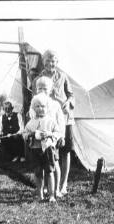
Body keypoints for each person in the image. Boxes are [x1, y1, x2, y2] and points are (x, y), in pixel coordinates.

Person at [33, 49, 76, 195]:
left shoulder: (63, 76)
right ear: (43, 63)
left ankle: (63, 185)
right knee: (50, 152)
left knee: (65, 151)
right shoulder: (39, 79)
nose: (51, 64)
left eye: (53, 61)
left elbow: (71, 95)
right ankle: (50, 186)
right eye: (47, 61)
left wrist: (68, 102)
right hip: (49, 120)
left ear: (57, 62)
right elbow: (36, 101)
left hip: (65, 118)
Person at [30, 76, 65, 197]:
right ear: (36, 89)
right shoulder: (35, 103)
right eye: (39, 88)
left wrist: (61, 136)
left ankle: (56, 190)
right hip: (39, 141)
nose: (42, 91)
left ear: (50, 90)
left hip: (52, 139)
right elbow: (32, 121)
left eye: (45, 88)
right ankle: (44, 188)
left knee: (54, 164)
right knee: (41, 166)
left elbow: (60, 123)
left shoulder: (55, 104)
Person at [23, 93, 61, 202]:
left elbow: (57, 133)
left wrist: (49, 134)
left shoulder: (51, 121)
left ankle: (52, 195)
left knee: (49, 172)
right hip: (35, 149)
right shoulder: (31, 122)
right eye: (37, 106)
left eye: (43, 106)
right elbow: (25, 134)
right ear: (33, 108)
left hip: (48, 149)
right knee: (38, 172)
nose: (40, 109)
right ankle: (40, 194)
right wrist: (31, 134)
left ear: (47, 107)